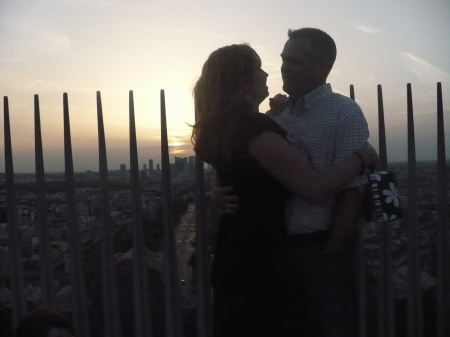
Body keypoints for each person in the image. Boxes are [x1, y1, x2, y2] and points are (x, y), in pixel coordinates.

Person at [192, 43, 377, 337]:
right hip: (260, 254)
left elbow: (235, 171)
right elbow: (314, 190)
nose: (268, 72)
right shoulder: (256, 128)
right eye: (257, 68)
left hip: (243, 247)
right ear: (241, 82)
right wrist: (362, 157)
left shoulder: (236, 124)